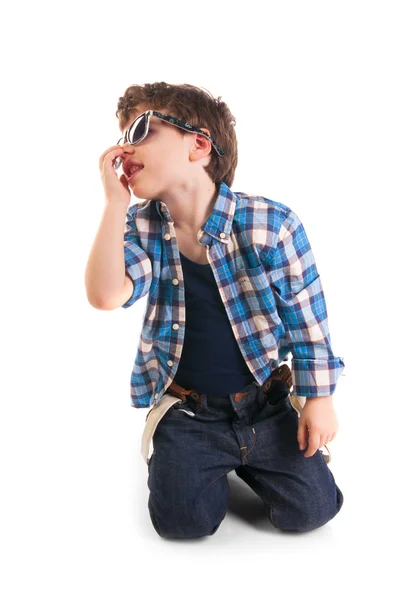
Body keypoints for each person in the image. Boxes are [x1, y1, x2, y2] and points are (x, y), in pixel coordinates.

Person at [85, 81, 345, 539]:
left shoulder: (270, 225)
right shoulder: (143, 228)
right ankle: (176, 449)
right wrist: (114, 204)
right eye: (122, 136)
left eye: (141, 130)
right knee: (183, 525)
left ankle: (250, 460)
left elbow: (309, 321)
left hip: (263, 405)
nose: (124, 148)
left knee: (313, 511)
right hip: (190, 412)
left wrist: (320, 399)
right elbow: (107, 295)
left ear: (199, 145)